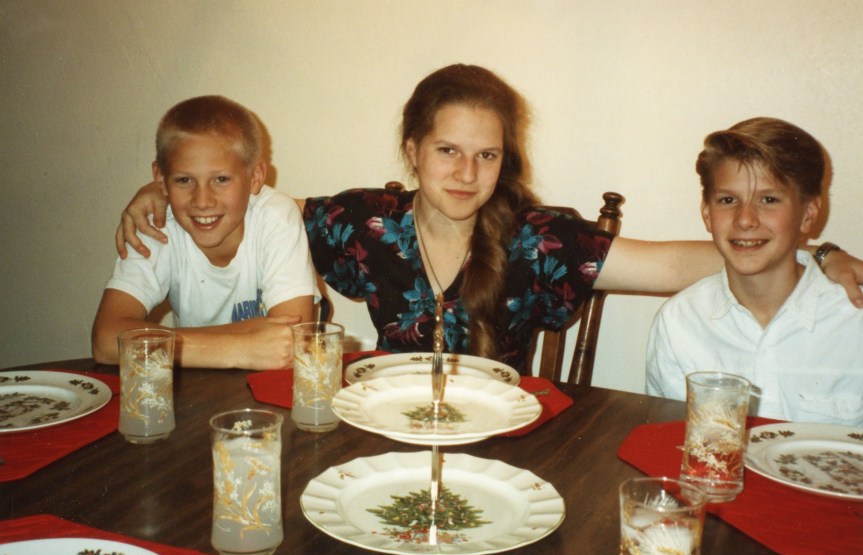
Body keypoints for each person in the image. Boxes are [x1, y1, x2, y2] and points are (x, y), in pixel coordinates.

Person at [114, 65, 863, 376]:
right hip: (383, 434)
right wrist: (161, 200)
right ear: (412, 150)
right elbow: (246, 205)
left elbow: (681, 262)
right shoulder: (361, 223)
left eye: (486, 155)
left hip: (498, 448)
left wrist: (816, 250)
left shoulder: (539, 239)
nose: (466, 174)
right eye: (446, 151)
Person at [646, 118, 862, 425]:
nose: (745, 219)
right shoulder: (679, 323)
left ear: (808, 214)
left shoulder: (854, 321)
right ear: (707, 214)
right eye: (728, 200)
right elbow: (668, 441)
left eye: (769, 199)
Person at [92, 95, 318, 370]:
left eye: (221, 179)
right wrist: (240, 348)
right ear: (161, 180)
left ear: (256, 176)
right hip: (196, 391)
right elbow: (105, 341)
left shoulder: (275, 215)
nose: (202, 200)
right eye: (184, 180)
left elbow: (289, 344)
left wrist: (159, 344)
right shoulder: (157, 225)